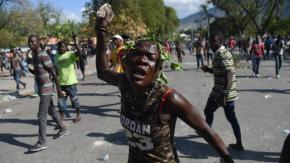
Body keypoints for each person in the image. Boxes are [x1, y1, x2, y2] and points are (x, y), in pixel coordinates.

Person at [95, 12, 234, 163]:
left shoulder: (168, 98)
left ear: (157, 71)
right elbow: (103, 72)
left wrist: (228, 160)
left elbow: (205, 130)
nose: (142, 60)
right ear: (126, 63)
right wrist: (101, 30)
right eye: (137, 54)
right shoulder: (125, 84)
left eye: (150, 57)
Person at [202, 33, 244, 152]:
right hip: (221, 91)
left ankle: (207, 133)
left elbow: (229, 73)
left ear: (221, 41)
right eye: (210, 42)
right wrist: (209, 70)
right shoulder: (219, 53)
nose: (211, 44)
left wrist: (224, 93)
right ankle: (239, 143)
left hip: (222, 92)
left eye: (214, 41)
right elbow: (220, 71)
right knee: (229, 116)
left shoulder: (222, 53)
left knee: (211, 111)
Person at [27, 35, 68, 152]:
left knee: (41, 115)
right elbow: (39, 71)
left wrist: (59, 90)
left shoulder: (43, 55)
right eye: (29, 42)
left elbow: (53, 72)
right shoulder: (34, 56)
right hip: (41, 89)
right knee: (51, 110)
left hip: (46, 89)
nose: (30, 44)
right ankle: (62, 128)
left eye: (33, 42)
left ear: (38, 43)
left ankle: (41, 142)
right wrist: (32, 70)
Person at [55, 33, 81, 123]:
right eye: (60, 47)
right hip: (61, 84)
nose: (62, 48)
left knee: (74, 100)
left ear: (66, 47)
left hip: (71, 83)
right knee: (61, 101)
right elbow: (56, 69)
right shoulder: (56, 56)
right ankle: (61, 118)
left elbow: (80, 53)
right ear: (58, 48)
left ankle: (78, 115)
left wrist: (76, 42)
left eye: (63, 46)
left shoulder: (70, 54)